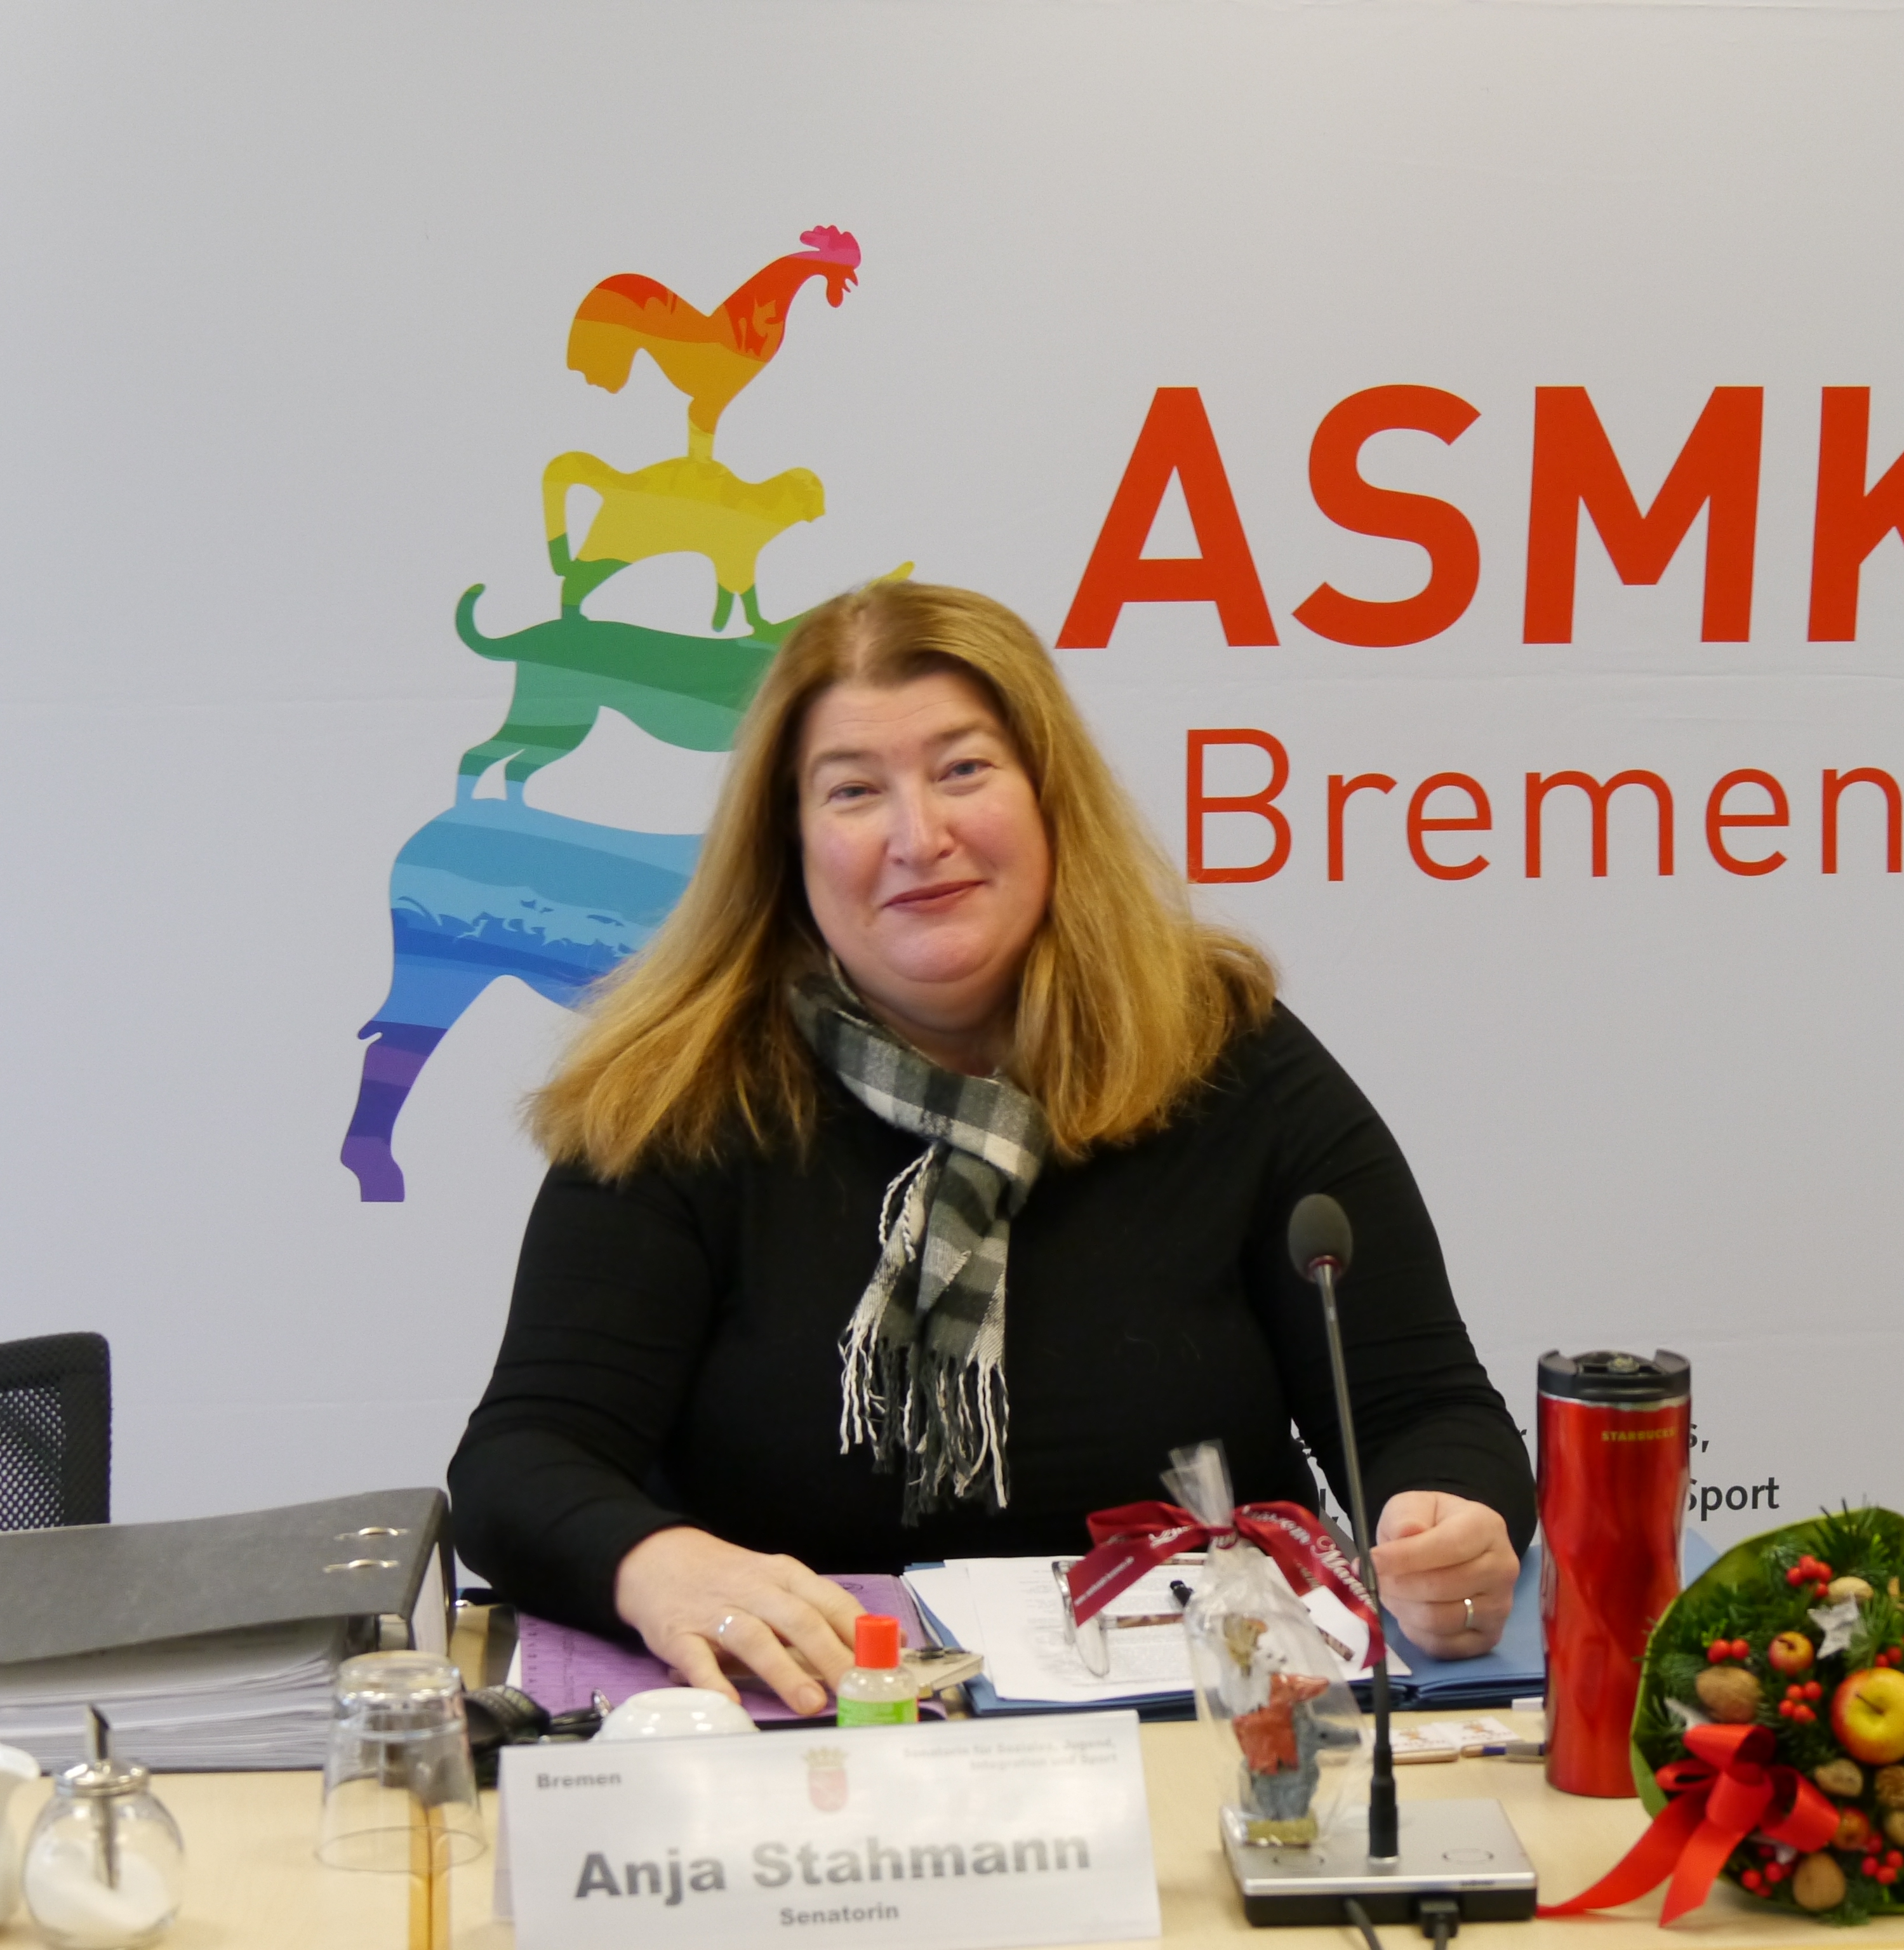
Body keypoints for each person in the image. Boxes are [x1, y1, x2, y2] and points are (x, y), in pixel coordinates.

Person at [448, 582, 1534, 1716]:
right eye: (854, 791)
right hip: (814, 1740)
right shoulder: (684, 1092)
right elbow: (524, 1461)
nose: (920, 838)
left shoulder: (1222, 1050)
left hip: (1208, 1736)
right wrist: (655, 1565)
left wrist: (1447, 1522)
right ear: (787, 842)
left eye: (963, 770)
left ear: (1051, 797)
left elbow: (1426, 1410)